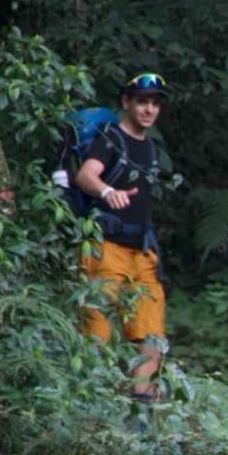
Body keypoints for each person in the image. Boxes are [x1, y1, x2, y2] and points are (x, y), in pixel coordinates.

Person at [74, 71, 172, 399]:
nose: (149, 109)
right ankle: (87, 402)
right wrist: (106, 192)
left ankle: (143, 402)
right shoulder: (111, 139)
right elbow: (86, 175)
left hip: (141, 251)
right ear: (126, 102)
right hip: (106, 248)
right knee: (96, 333)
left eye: (155, 104)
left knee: (152, 332)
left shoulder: (152, 149)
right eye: (142, 102)